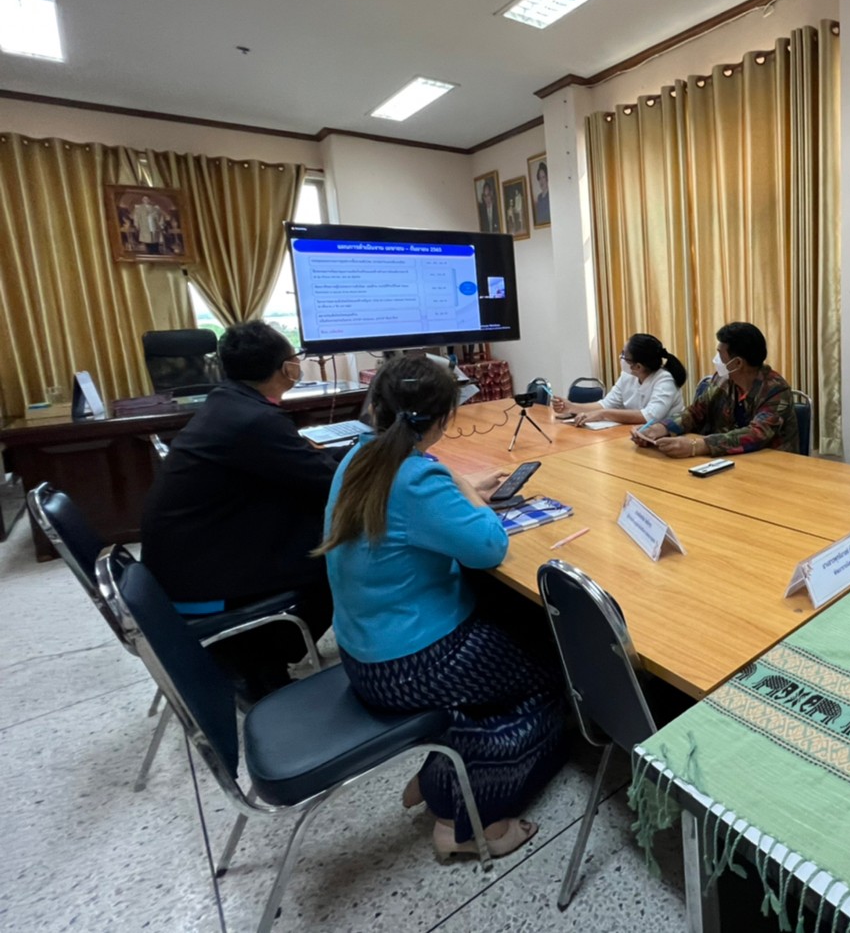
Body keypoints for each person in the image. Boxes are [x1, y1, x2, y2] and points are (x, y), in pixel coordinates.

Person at [318, 355, 565, 860]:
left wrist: (455, 489)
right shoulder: (416, 479)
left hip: (365, 649)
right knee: (554, 681)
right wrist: (468, 497)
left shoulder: (359, 457)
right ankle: (471, 816)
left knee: (511, 637)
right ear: (439, 419)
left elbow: (407, 517)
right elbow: (490, 546)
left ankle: (441, 773)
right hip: (414, 662)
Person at [140, 320, 338, 699]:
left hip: (183, 560)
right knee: (339, 546)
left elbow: (301, 467)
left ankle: (252, 655)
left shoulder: (228, 404)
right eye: (294, 357)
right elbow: (328, 481)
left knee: (320, 521)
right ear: (287, 368)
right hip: (200, 579)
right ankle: (258, 666)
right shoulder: (254, 421)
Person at [633, 321, 797, 457]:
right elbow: (696, 412)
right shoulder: (722, 380)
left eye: (720, 354)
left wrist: (697, 446)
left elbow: (756, 434)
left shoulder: (776, 390)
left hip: (769, 466)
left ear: (738, 363)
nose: (716, 360)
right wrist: (662, 428)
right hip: (727, 462)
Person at [551, 333, 686, 426]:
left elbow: (649, 417)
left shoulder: (665, 380)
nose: (620, 357)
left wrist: (603, 414)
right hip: (635, 435)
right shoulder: (628, 376)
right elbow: (606, 404)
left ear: (637, 366)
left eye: (623, 355)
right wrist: (572, 407)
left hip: (666, 437)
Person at [532, 159, 550, 227]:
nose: (541, 181)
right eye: (539, 178)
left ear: (547, 178)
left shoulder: (550, 196)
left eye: (543, 177)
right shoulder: (539, 197)